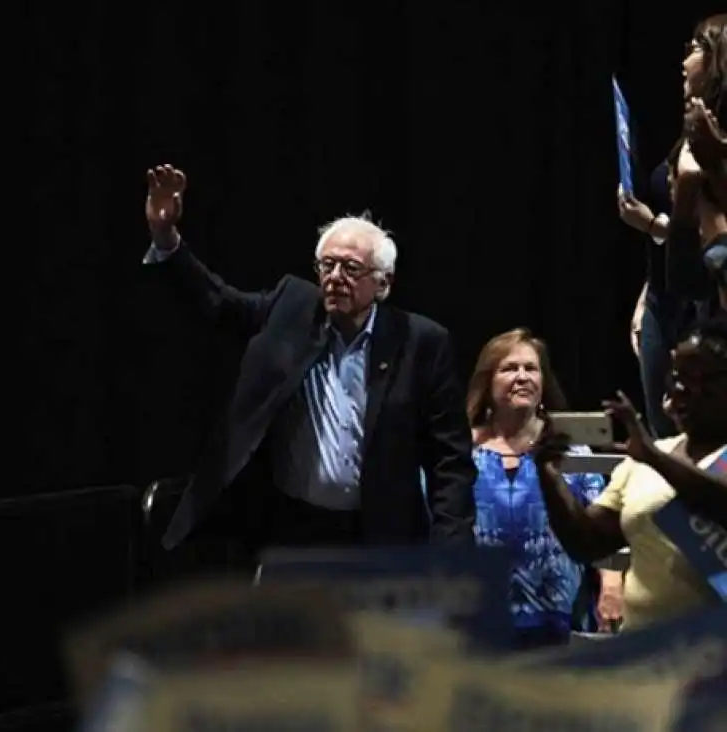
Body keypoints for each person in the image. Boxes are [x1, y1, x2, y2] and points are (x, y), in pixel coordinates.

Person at [142, 164, 476, 572]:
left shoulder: (421, 341)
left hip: (376, 536)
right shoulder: (292, 307)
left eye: (351, 269)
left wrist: (451, 556)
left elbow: (450, 463)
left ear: (383, 283)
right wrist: (167, 239)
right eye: (327, 266)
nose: (335, 278)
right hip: (291, 528)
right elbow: (220, 304)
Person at [533, 316, 727, 631]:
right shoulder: (645, 458)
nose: (682, 388)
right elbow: (587, 543)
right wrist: (549, 474)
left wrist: (652, 457)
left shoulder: (650, 456)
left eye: (700, 377)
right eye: (678, 376)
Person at [466, 329, 620, 648]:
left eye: (530, 368)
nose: (522, 377)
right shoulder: (461, 452)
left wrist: (611, 584)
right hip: (479, 620)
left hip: (561, 620)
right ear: (487, 381)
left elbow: (601, 528)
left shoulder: (572, 451)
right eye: (509, 368)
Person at [617, 13, 726, 437]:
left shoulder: (711, 142)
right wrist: (649, 289)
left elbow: (711, 253)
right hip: (666, 300)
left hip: (707, 311)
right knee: (666, 440)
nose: (684, 61)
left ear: (719, 59)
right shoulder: (690, 134)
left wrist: (655, 226)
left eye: (695, 48)